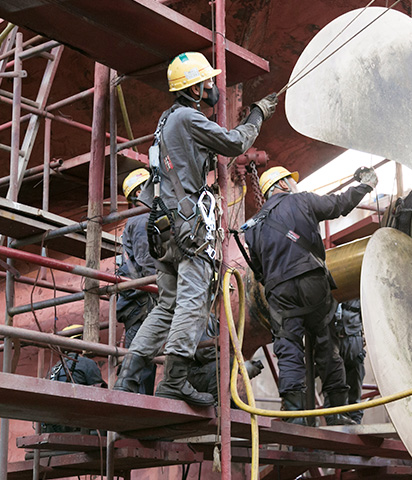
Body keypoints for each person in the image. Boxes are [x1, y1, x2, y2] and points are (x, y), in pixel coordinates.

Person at [114, 51, 277, 407]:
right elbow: (235, 144)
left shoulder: (166, 120)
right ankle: (175, 379)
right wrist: (257, 115)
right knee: (191, 301)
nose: (212, 87)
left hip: (166, 229)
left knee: (166, 305)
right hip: (190, 231)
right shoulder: (189, 117)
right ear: (194, 89)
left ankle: (128, 376)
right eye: (207, 82)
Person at [243, 165, 378, 425]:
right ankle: (336, 412)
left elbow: (257, 268)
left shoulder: (252, 227)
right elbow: (338, 205)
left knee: (289, 348)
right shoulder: (302, 201)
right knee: (326, 344)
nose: (294, 185)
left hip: (279, 292)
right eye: (290, 182)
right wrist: (365, 186)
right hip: (312, 283)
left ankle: (295, 414)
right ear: (281, 185)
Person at [115, 169, 158, 395]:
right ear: (140, 191)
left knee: (143, 357)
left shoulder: (139, 219)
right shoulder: (143, 218)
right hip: (143, 300)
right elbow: (147, 263)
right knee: (142, 357)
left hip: (139, 299)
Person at [42, 325, 106, 433]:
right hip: (71, 425)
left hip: (50, 426)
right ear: (81, 340)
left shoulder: (54, 368)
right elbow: (101, 394)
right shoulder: (86, 363)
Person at [329, 299, 366, 424]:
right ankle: (333, 419)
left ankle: (356, 420)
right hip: (332, 340)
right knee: (332, 383)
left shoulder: (357, 291)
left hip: (353, 339)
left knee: (354, 382)